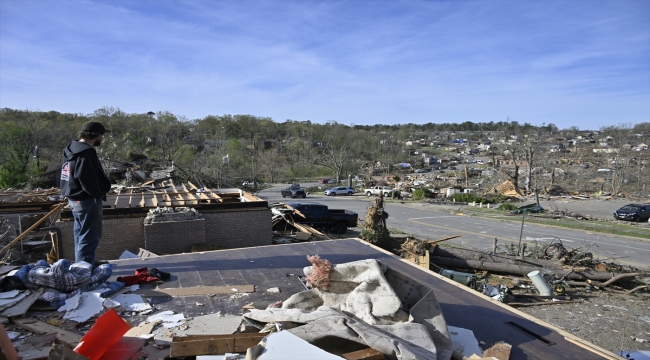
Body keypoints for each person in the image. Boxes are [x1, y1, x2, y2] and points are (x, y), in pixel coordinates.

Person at [60, 122, 111, 265]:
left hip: (74, 197)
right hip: (86, 199)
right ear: (97, 136)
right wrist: (98, 194)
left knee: (81, 233)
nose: (102, 138)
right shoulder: (86, 152)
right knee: (90, 235)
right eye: (102, 135)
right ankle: (84, 269)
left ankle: (82, 263)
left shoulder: (72, 148)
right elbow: (86, 178)